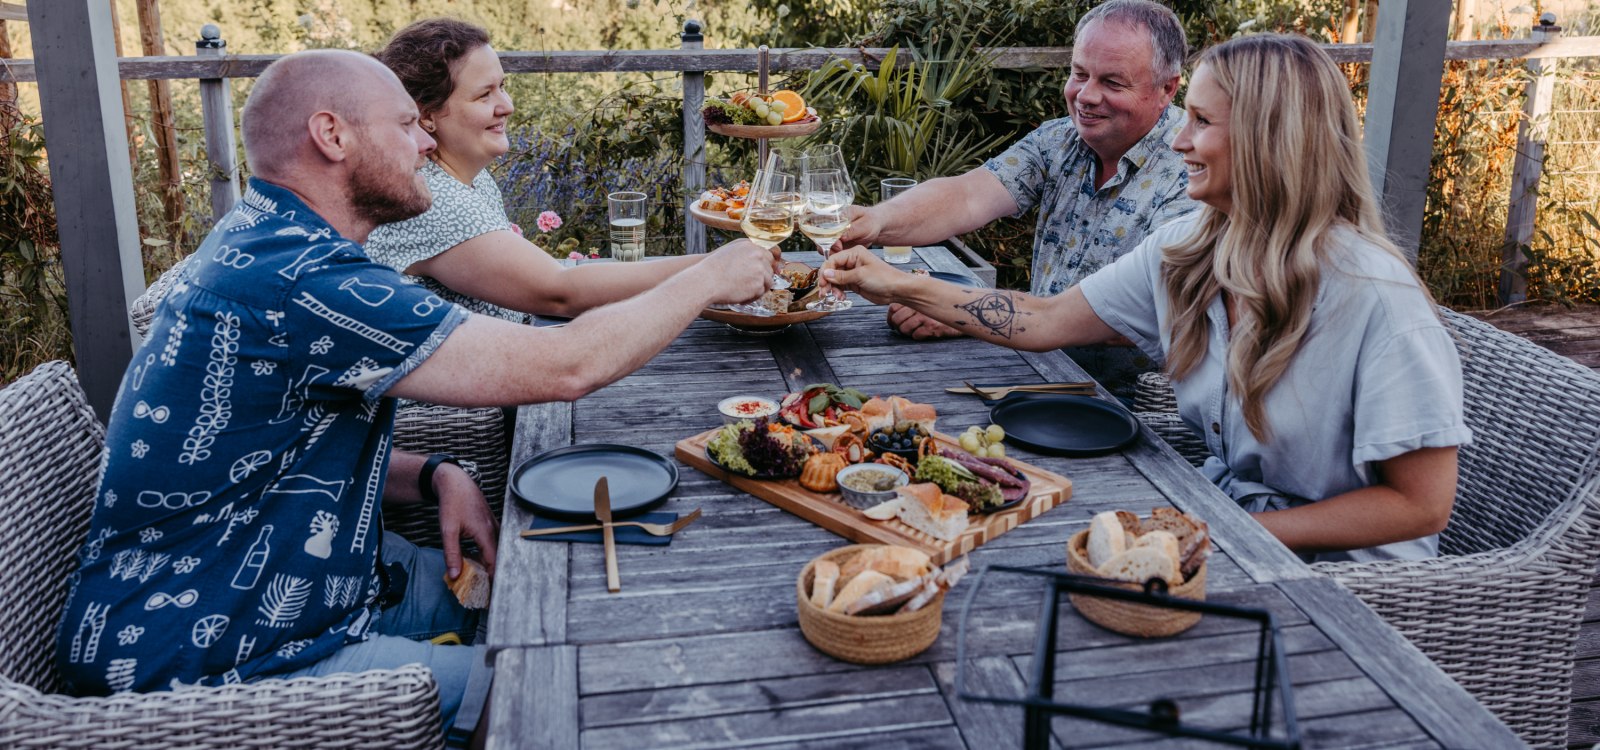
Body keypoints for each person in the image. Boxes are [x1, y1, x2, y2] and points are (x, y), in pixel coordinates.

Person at [53, 49, 775, 745]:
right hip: (213, 650)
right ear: (332, 135)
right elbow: (567, 367)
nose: (427, 143)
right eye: (406, 125)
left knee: (564, 581)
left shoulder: (272, 240)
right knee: (575, 675)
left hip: (318, 580)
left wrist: (435, 473)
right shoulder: (305, 279)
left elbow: (270, 445)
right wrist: (711, 275)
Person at [821, 34, 1470, 562]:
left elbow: (1420, 506)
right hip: (1216, 531)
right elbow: (1046, 319)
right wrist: (891, 283)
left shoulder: (1377, 303)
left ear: (1272, 142)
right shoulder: (1190, 248)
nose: (1180, 141)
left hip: (1344, 589)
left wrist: (1226, 535)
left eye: (1201, 121)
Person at [841, 0, 1198, 370]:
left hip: (1139, 410)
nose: (1086, 96)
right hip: (1044, 373)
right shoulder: (1059, 139)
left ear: (1167, 89)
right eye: (1079, 74)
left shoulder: (1195, 172)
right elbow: (966, 196)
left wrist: (964, 308)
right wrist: (875, 222)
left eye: (1112, 82)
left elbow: (1137, 317)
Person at [366, 18, 706, 323]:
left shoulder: (469, 177)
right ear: (426, 115)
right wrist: (712, 271)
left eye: (503, 86)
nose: (507, 106)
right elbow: (558, 292)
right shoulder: (431, 199)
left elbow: (541, 284)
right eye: (484, 95)